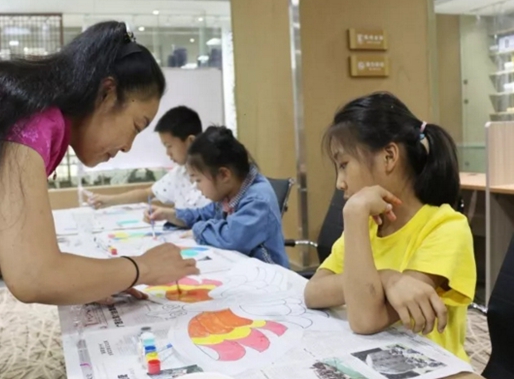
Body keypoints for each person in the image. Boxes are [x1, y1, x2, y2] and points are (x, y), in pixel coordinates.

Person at [0, 21, 198, 377]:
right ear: (106, 93)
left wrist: (87, 283)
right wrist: (142, 268)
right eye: (136, 126)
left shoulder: (31, 108)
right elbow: (33, 275)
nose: (127, 146)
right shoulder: (32, 121)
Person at [303, 92, 476, 361]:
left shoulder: (445, 227)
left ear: (389, 156)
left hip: (432, 368)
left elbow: (366, 319)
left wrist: (355, 212)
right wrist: (386, 278)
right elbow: (313, 292)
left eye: (344, 165)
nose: (340, 182)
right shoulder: (369, 228)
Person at [145, 126, 289, 268]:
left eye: (198, 180)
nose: (196, 186)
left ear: (224, 175)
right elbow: (204, 214)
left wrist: (198, 230)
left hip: (268, 279)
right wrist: (169, 214)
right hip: (242, 270)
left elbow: (232, 238)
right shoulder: (230, 192)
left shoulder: (258, 200)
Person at [89, 106, 210, 210]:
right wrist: (109, 200)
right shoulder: (179, 173)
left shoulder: (213, 177)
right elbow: (146, 193)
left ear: (190, 142)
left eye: (169, 146)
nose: (168, 153)